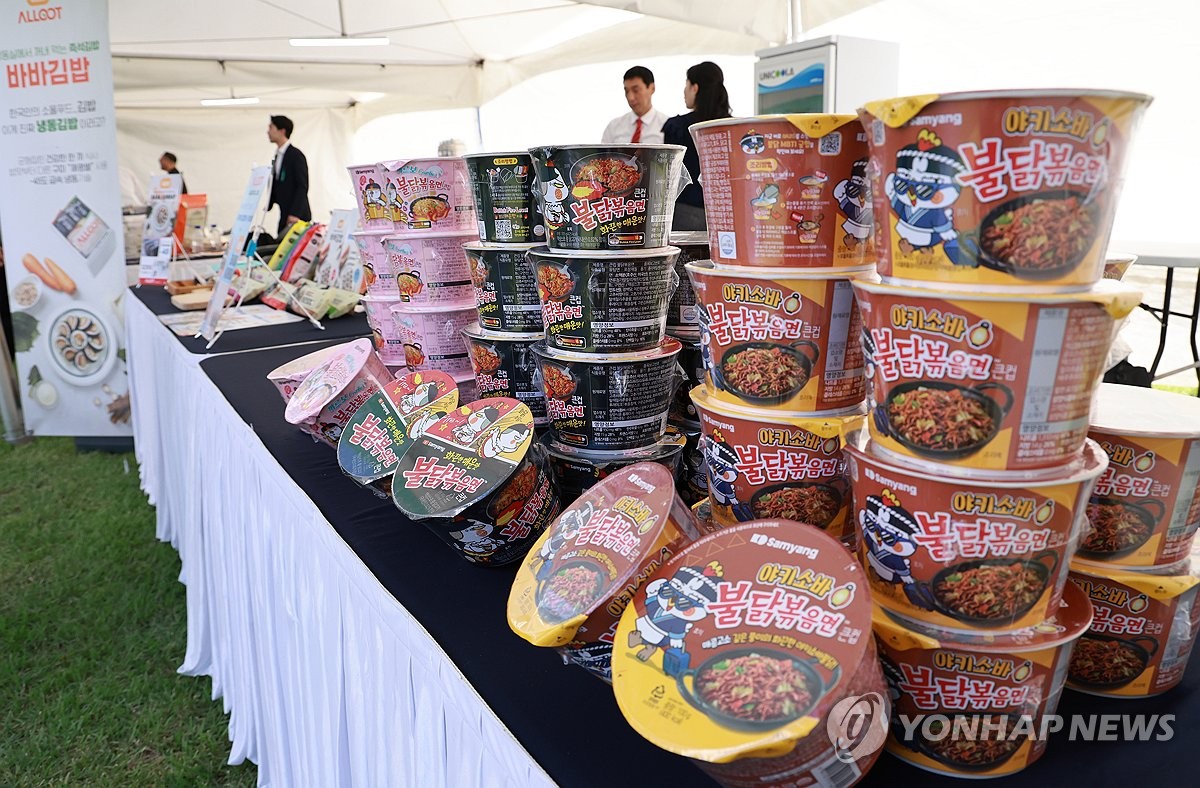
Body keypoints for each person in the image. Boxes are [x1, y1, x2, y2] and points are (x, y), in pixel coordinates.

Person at [662, 62, 731, 231]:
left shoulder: (677, 127)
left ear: (695, 87)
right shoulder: (732, 127)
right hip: (726, 214)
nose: (684, 92)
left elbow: (667, 176)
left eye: (686, 86)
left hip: (685, 214)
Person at [267, 115, 311, 237]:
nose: (268, 131)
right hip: (284, 213)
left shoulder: (296, 155)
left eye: (271, 127)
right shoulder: (278, 155)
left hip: (296, 216)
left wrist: (295, 213)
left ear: (282, 131)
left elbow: (302, 186)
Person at [601, 66, 666, 145]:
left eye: (636, 90)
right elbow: (602, 155)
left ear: (652, 88)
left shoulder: (666, 125)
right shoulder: (613, 126)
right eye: (627, 91)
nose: (630, 97)